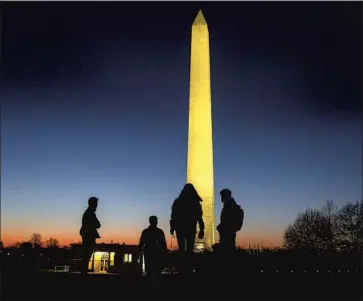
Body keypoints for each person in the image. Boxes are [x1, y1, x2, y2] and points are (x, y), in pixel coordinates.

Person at [170, 183, 204, 272]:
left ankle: (181, 267)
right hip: (191, 227)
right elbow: (199, 216)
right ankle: (188, 267)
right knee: (189, 249)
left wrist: (172, 228)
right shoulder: (195, 202)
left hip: (180, 228)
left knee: (182, 248)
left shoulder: (178, 201)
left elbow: (173, 216)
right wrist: (201, 229)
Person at [79, 196, 101, 275]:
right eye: (96, 204)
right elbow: (98, 225)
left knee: (87, 253)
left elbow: (97, 224)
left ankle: (84, 271)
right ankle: (84, 271)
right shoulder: (90, 214)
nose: (97, 206)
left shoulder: (88, 213)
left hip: (87, 235)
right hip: (89, 236)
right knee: (87, 253)